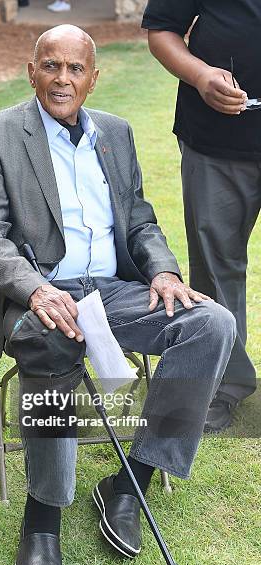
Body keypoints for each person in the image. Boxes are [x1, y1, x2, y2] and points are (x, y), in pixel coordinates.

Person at [0, 24, 236, 565]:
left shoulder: (115, 133)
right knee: (53, 337)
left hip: (112, 290)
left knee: (211, 323)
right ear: (32, 70)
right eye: (51, 66)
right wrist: (38, 290)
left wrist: (162, 271)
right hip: (38, 293)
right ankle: (42, 519)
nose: (63, 78)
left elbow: (139, 220)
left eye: (76, 69)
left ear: (93, 77)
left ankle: (128, 484)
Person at [142, 0, 261, 433]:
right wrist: (200, 75)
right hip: (216, 142)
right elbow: (161, 30)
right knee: (216, 267)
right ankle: (224, 383)